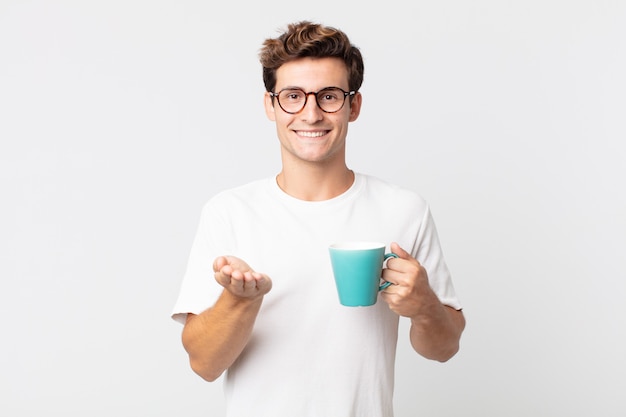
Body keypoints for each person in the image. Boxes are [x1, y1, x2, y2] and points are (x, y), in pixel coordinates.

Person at [171, 21, 465, 417]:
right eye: (293, 96)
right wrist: (239, 301)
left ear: (353, 106)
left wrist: (424, 305)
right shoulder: (229, 213)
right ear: (270, 105)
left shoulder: (404, 209)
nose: (311, 114)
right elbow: (204, 364)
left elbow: (444, 349)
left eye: (328, 96)